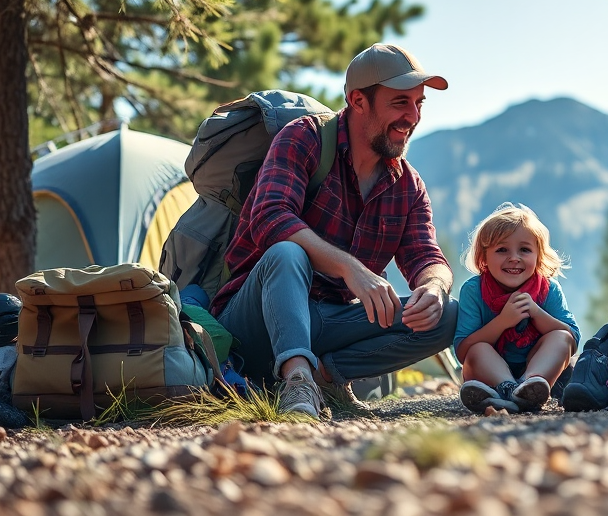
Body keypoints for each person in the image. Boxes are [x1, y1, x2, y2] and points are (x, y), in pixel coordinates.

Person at [211, 43, 457, 419]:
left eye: (419, 103)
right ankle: (296, 382)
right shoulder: (303, 138)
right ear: (358, 100)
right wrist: (351, 269)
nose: (413, 116)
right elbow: (271, 218)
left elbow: (427, 256)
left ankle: (324, 376)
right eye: (400, 103)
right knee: (286, 251)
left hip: (329, 321)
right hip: (257, 318)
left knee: (449, 316)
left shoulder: (408, 185)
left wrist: (433, 288)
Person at [453, 203, 580, 413]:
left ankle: (529, 387)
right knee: (478, 348)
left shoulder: (548, 289)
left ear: (538, 256)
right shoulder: (473, 290)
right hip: (488, 372)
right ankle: (510, 389)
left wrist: (536, 312)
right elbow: (464, 350)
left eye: (525, 249)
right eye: (502, 250)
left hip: (540, 371)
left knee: (561, 337)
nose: (514, 258)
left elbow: (572, 338)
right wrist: (503, 322)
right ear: (483, 258)